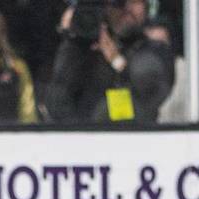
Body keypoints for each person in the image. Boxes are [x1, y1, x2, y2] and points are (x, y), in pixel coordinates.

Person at [45, 0, 174, 123]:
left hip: (134, 138)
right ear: (105, 8)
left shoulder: (155, 50)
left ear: (146, 7)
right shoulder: (81, 51)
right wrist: (72, 39)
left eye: (134, 1)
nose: (127, 9)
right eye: (118, 2)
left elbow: (150, 97)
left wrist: (116, 61)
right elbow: (57, 102)